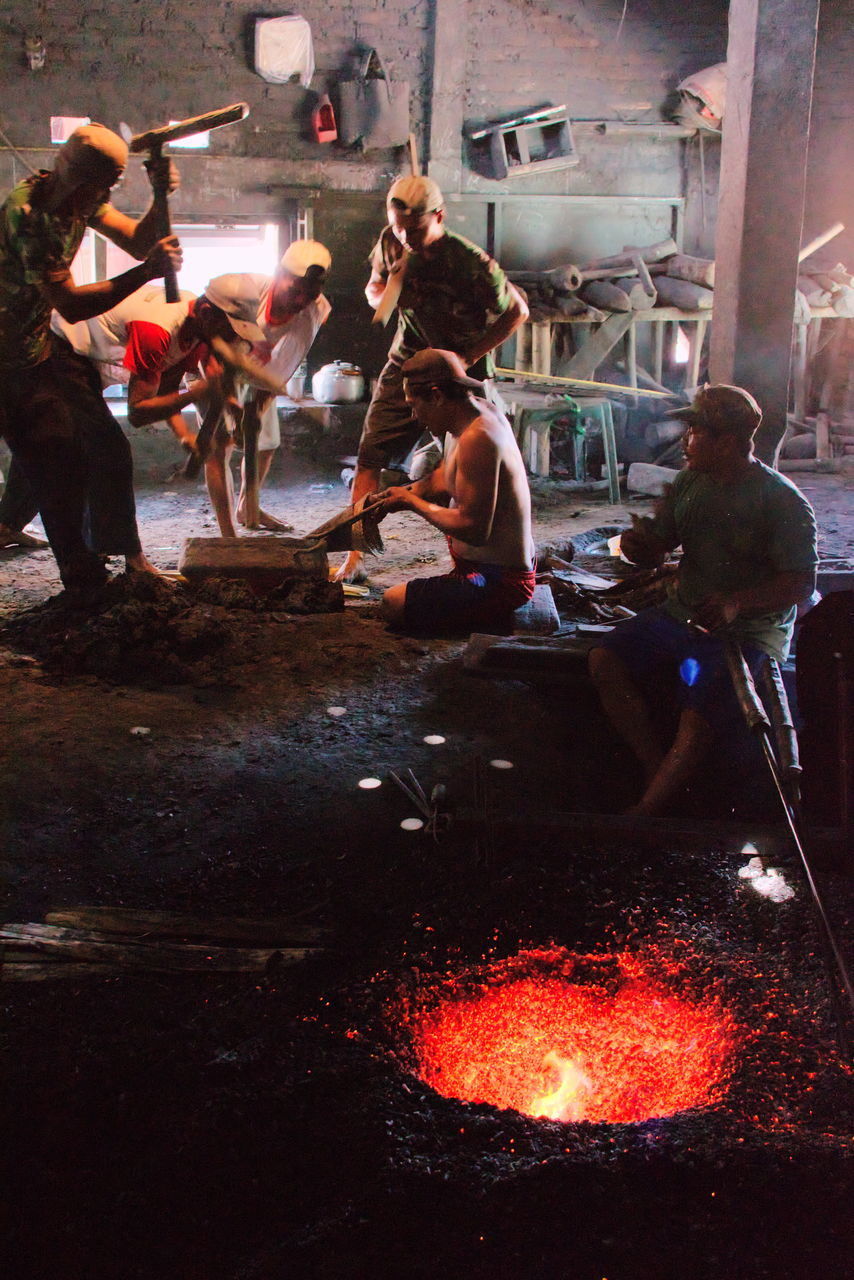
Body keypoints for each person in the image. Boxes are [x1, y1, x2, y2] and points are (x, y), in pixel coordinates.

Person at [588, 384, 818, 817]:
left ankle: (647, 810)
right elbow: (660, 543)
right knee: (604, 659)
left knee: (697, 718)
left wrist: (738, 602)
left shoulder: (783, 501)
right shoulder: (691, 482)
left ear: (726, 442)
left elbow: (801, 584)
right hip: (683, 614)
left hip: (748, 630)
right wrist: (643, 548)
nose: (685, 440)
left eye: (694, 430)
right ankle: (655, 767)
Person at [0, 122, 182, 596]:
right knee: (53, 460)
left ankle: (83, 584)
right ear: (84, 182)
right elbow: (74, 305)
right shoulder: (29, 216)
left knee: (63, 459)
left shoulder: (76, 198)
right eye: (107, 186)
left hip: (29, 355)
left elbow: (138, 241)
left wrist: (156, 196)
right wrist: (147, 273)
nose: (106, 196)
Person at [336, 175, 528, 582]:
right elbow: (373, 289)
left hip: (461, 371)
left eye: (416, 230)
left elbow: (518, 312)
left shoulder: (470, 262)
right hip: (407, 362)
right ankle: (355, 555)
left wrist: (468, 357)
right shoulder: (391, 240)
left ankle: (478, 559)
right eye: (400, 227)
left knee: (469, 461)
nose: (406, 238)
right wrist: (387, 291)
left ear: (439, 216)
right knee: (370, 455)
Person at [374, 348, 536, 634]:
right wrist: (398, 495)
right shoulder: (462, 420)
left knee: (392, 603)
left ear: (437, 396)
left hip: (498, 580)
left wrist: (412, 503)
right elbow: (445, 480)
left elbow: (474, 529)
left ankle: (493, 616)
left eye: (415, 404)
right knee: (402, 601)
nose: (414, 414)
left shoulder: (479, 437)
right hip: (479, 571)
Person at [201, 241, 331, 535]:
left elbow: (285, 362)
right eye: (295, 288)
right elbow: (208, 344)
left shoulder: (315, 310)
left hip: (261, 370)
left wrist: (257, 408)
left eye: (310, 293)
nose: (300, 299)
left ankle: (249, 506)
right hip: (214, 361)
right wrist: (230, 403)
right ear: (278, 273)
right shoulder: (244, 292)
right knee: (219, 445)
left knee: (265, 441)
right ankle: (228, 535)